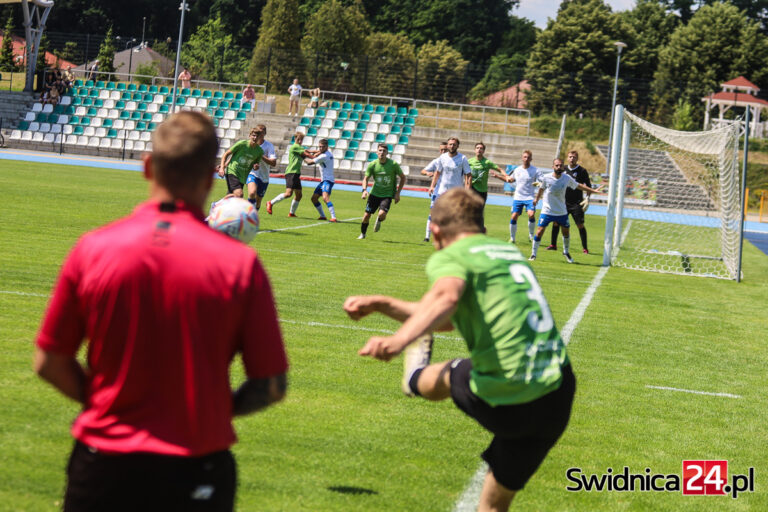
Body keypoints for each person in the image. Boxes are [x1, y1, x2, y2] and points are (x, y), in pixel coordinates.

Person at [34, 111, 288, 511]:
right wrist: (212, 411)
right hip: (196, 465)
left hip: (105, 462)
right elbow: (271, 384)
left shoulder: (94, 248)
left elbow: (49, 360)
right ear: (209, 179)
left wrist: (103, 402)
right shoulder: (239, 266)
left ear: (148, 167)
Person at [343, 187, 575, 512]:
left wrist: (397, 342)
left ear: (435, 232)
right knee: (493, 507)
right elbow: (446, 320)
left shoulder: (452, 255)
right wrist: (382, 304)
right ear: (481, 226)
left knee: (455, 371)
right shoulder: (505, 252)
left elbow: (446, 300)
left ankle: (414, 377)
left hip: (509, 389)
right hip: (556, 392)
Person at [529, 158, 604, 263]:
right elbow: (541, 188)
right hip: (547, 211)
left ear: (563, 167)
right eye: (557, 165)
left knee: (566, 232)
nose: (559, 167)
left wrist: (593, 191)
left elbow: (579, 186)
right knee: (539, 231)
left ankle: (566, 252)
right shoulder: (546, 178)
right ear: (553, 167)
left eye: (561, 165)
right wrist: (536, 199)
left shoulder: (566, 178)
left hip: (561, 211)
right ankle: (533, 254)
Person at [426, 137, 471, 242]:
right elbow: (437, 172)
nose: (452, 146)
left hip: (456, 192)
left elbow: (468, 175)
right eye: (450, 144)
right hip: (441, 191)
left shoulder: (463, 158)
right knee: (435, 214)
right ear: (447, 145)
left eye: (454, 144)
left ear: (457, 146)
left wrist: (467, 190)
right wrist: (432, 186)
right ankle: (429, 236)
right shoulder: (443, 157)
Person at [547, 150, 593, 254]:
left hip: (577, 203)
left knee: (580, 225)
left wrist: (587, 198)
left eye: (574, 157)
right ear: (567, 158)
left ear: (577, 159)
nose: (572, 159)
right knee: (556, 223)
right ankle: (553, 244)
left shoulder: (582, 171)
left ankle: (585, 248)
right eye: (570, 157)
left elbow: (588, 186)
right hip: (563, 202)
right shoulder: (562, 169)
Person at [358, 143, 406, 239]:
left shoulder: (393, 164)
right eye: (380, 150)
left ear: (387, 153)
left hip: (387, 195)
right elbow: (365, 179)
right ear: (377, 152)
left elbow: (403, 178)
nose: (382, 152)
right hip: (374, 194)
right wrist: (364, 190)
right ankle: (363, 234)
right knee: (366, 216)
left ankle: (379, 219)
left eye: (384, 151)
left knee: (382, 214)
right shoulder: (373, 165)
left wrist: (398, 193)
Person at [266, 131, 315, 217]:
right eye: (299, 139)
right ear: (295, 139)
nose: (300, 141)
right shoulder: (295, 147)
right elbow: (309, 155)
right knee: (288, 193)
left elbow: (307, 155)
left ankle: (291, 213)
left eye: (301, 140)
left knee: (299, 195)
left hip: (296, 173)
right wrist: (318, 155)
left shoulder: (299, 148)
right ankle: (270, 202)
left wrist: (316, 155)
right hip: (291, 172)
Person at [497, 150, 540, 244]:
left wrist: (538, 184)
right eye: (525, 157)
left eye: (528, 157)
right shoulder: (517, 170)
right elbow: (510, 180)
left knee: (531, 214)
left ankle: (531, 235)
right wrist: (498, 176)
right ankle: (512, 238)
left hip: (529, 197)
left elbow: (541, 182)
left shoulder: (535, 170)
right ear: (522, 158)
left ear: (531, 159)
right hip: (518, 197)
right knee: (514, 216)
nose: (526, 159)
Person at [218, 127, 265, 199]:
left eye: (257, 136)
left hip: (243, 176)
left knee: (232, 197)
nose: (255, 138)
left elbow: (256, 165)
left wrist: (256, 167)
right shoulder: (241, 144)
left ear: (260, 138)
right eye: (253, 135)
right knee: (239, 194)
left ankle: (217, 205)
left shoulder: (259, 151)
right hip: (232, 171)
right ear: (250, 136)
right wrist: (222, 167)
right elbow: (226, 154)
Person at [468, 141, 502, 229]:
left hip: (482, 190)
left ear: (484, 151)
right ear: (474, 150)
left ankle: (481, 228)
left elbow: (499, 169)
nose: (479, 150)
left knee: (479, 212)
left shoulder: (487, 162)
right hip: (472, 188)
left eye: (481, 148)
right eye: (477, 148)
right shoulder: (469, 161)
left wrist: (506, 175)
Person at [245, 124, 277, 210]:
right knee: (252, 193)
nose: (260, 134)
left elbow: (273, 163)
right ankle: (248, 215)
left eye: (262, 132)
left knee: (258, 201)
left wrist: (261, 156)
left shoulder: (269, 146)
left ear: (265, 133)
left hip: (264, 177)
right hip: (252, 173)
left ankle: (254, 215)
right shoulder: (250, 145)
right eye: (259, 132)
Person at [421, 141, 448, 242]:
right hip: (437, 191)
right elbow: (423, 171)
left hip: (449, 192)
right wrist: (428, 173)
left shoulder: (453, 161)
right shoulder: (436, 161)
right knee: (432, 214)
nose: (443, 151)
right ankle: (427, 236)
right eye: (441, 149)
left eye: (445, 149)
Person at [305, 138, 338, 222]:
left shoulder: (324, 156)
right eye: (319, 147)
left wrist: (302, 155)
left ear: (327, 147)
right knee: (314, 199)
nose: (320, 149)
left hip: (328, 180)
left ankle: (333, 217)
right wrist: (311, 150)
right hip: (324, 181)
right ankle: (323, 216)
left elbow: (309, 162)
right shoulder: (327, 152)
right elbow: (318, 152)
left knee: (325, 198)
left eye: (322, 147)